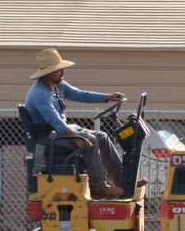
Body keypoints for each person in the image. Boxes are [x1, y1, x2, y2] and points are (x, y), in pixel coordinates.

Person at [25, 47, 141, 199]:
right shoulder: (40, 94)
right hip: (47, 137)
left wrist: (108, 97)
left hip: (59, 131)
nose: (63, 73)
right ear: (49, 73)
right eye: (59, 70)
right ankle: (99, 188)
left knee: (102, 137)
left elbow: (81, 95)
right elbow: (55, 120)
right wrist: (76, 138)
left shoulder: (58, 86)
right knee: (89, 141)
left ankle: (123, 181)